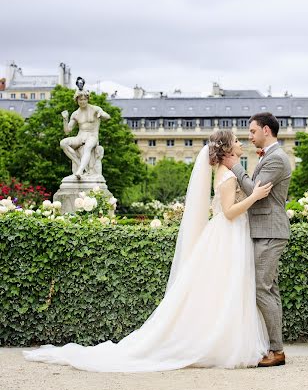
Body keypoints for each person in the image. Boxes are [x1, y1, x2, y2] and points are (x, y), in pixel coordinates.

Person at [24, 130, 273, 372]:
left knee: (224, 289)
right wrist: (255, 196)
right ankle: (225, 344)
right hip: (227, 235)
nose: (242, 142)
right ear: (227, 149)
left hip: (226, 234)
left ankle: (223, 340)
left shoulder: (225, 172)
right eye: (237, 140)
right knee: (227, 288)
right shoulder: (227, 176)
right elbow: (229, 212)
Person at [222, 113, 292, 367]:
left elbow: (256, 192)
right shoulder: (270, 156)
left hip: (270, 231)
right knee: (268, 288)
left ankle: (277, 351)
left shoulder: (277, 159)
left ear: (266, 130)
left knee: (261, 288)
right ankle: (274, 348)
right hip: (263, 230)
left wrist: (235, 166)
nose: (249, 136)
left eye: (252, 132)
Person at [60, 88, 110, 180]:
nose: (82, 102)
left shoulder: (95, 109)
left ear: (87, 99)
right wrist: (65, 119)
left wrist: (101, 114)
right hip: (80, 136)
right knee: (63, 143)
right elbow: (67, 131)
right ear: (77, 100)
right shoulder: (75, 114)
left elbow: (107, 116)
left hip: (92, 135)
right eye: (80, 100)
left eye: (84, 99)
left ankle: (80, 171)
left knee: (87, 147)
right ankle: (79, 164)